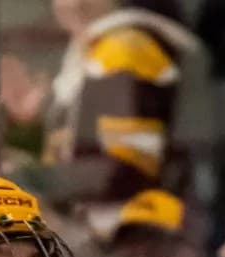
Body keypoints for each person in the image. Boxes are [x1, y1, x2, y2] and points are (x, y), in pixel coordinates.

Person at [42, 0, 200, 236]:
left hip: (131, 233)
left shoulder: (123, 50)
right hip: (111, 229)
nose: (70, 3)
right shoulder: (97, 49)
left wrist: (30, 181)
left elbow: (123, 169)